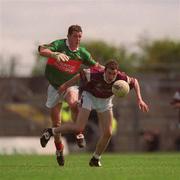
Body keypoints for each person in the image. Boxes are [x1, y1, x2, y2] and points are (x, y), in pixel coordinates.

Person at [40, 60, 149, 167]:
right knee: (78, 128)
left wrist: (140, 99)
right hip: (89, 97)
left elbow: (135, 82)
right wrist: (65, 86)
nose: (111, 76)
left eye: (114, 74)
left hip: (105, 101)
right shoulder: (94, 73)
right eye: (109, 73)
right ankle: (51, 131)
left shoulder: (122, 78)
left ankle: (95, 159)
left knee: (108, 133)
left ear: (117, 73)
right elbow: (78, 76)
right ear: (104, 71)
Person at [38, 24, 102, 166]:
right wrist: (54, 54)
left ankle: (79, 133)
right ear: (68, 36)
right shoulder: (59, 44)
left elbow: (96, 66)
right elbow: (41, 50)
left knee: (74, 103)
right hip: (54, 87)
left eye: (80, 36)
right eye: (75, 36)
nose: (78, 39)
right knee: (56, 124)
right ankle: (59, 150)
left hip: (69, 85)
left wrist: (114, 73)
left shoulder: (82, 53)